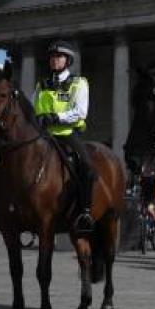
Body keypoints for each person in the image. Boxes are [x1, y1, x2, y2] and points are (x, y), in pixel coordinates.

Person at [33, 40, 96, 235]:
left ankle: (85, 212)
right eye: (52, 57)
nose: (54, 60)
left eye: (58, 57)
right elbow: (34, 107)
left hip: (67, 134)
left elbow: (80, 111)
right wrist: (38, 118)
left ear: (67, 60)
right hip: (44, 136)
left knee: (87, 167)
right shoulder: (41, 84)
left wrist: (56, 117)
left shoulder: (78, 83)